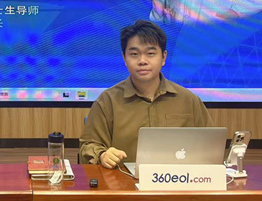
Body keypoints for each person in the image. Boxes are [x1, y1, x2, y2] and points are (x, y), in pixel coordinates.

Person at [80, 20, 212, 167]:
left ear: (163, 57)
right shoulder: (108, 101)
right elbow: (88, 146)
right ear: (124, 58)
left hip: (178, 179)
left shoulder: (188, 100)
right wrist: (102, 155)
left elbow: (210, 145)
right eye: (134, 54)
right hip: (123, 180)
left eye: (150, 53)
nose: (142, 61)